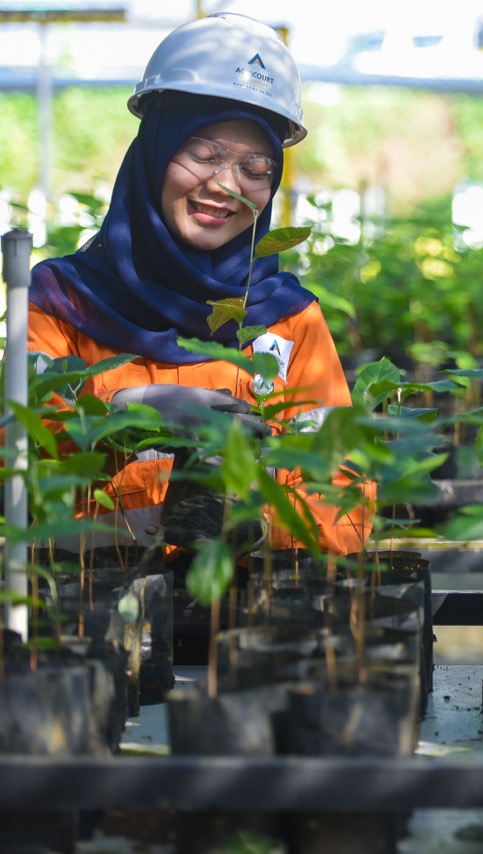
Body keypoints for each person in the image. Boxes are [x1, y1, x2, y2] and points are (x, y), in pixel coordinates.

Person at [27, 13, 372, 558]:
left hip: (252, 628)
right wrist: (116, 421)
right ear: (155, 152)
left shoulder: (288, 319)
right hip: (93, 624)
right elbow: (17, 474)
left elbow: (347, 498)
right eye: (204, 154)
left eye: (256, 168)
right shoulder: (62, 301)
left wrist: (258, 524)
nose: (225, 186)